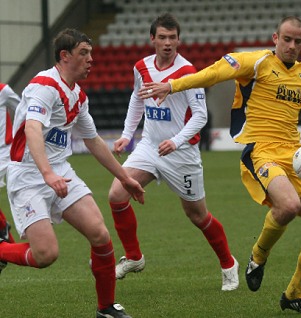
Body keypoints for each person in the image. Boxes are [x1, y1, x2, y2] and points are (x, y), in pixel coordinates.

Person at [140, 16, 301, 314]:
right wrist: (171, 86)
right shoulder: (255, 63)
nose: (292, 46)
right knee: (287, 206)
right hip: (261, 151)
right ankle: (258, 256)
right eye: (286, 39)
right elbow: (212, 74)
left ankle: (294, 295)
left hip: (296, 154)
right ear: (275, 38)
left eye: (298, 42)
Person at [0, 29, 145, 318]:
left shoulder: (78, 95)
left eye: (91, 53)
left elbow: (92, 141)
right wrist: (46, 174)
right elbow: (32, 129)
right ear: (64, 56)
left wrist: (125, 177)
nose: (91, 59)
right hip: (29, 176)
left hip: (60, 171)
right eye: (84, 53)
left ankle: (106, 308)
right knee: (45, 255)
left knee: (100, 235)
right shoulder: (44, 86)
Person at [108, 13, 239, 291]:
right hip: (150, 146)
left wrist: (176, 141)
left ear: (179, 40)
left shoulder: (188, 72)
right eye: (162, 37)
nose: (168, 43)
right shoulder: (141, 67)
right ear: (152, 39)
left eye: (172, 37)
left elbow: (201, 116)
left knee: (197, 215)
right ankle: (134, 257)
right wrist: (127, 135)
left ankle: (228, 263)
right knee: (117, 194)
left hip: (182, 154)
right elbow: (137, 98)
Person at [0, 83, 20, 273]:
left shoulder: (3, 90)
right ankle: (3, 229)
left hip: (3, 152)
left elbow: (21, 109)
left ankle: (6, 244)